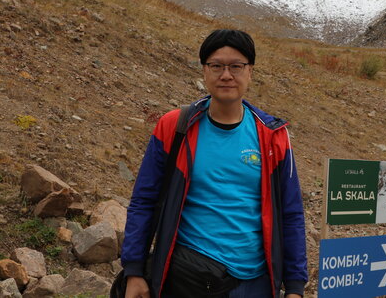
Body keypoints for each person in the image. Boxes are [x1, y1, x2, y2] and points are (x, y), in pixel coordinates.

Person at [121, 29, 308, 298]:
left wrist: (295, 286)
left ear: (250, 71)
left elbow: (291, 213)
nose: (226, 75)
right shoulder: (174, 127)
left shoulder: (273, 136)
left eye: (236, 66)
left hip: (257, 282)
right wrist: (134, 271)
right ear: (204, 71)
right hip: (190, 277)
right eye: (217, 66)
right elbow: (144, 200)